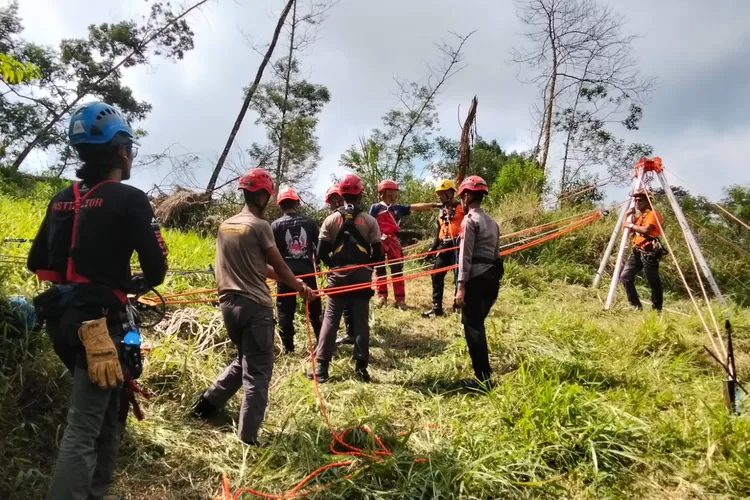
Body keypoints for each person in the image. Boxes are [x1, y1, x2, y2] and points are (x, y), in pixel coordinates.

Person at [27, 101, 169, 500]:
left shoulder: (60, 198)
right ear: (120, 148)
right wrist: (128, 282)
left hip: (63, 320)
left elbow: (38, 263)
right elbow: (156, 268)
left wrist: (77, 280)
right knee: (84, 428)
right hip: (100, 325)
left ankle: (95, 492)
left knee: (111, 412)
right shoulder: (128, 198)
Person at [192, 169, 314, 445]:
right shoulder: (259, 226)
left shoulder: (226, 226)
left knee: (244, 360)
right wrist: (302, 288)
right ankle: (248, 438)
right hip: (255, 307)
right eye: (267, 196)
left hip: (229, 306)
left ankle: (207, 404)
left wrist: (290, 281)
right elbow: (281, 268)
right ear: (260, 195)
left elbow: (262, 268)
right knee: (258, 373)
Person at [309, 173, 383, 382]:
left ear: (341, 194)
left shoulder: (330, 220)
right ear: (360, 194)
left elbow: (321, 252)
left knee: (331, 319)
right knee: (361, 320)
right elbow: (378, 254)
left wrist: (335, 268)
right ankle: (361, 368)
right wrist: (367, 269)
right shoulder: (369, 221)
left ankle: (322, 368)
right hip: (361, 275)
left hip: (338, 276)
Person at [453, 175, 503, 390]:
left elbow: (465, 255)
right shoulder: (493, 222)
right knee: (478, 325)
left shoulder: (469, 221)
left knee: (473, 328)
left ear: (466, 195)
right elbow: (497, 256)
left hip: (475, 278)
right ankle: (484, 374)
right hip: (491, 279)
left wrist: (461, 286)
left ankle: (483, 379)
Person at [370, 180, 438, 309]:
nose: (396, 194)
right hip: (379, 241)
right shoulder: (376, 207)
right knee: (380, 270)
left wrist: (434, 204)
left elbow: (415, 206)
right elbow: (370, 223)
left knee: (397, 270)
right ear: (387, 192)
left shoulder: (398, 208)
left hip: (393, 242)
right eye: (395, 191)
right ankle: (382, 297)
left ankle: (400, 300)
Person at [271, 187, 322, 353]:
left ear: (280, 205)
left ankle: (288, 347)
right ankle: (322, 341)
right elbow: (319, 244)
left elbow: (271, 251)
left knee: (285, 310)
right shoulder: (309, 222)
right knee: (314, 307)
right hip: (307, 270)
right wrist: (319, 262)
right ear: (297, 203)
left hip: (285, 273)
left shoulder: (275, 225)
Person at [423, 178, 465, 318]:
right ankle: (437, 308)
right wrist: (432, 249)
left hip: (459, 246)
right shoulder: (441, 213)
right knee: (436, 274)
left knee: (459, 276)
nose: (440, 197)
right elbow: (437, 234)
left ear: (450, 193)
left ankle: (458, 306)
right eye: (439, 194)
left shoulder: (462, 208)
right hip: (444, 246)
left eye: (442, 193)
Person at [620, 189, 665, 311]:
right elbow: (626, 227)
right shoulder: (640, 218)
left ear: (648, 201)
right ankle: (636, 305)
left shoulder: (654, 214)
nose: (637, 202)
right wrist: (626, 215)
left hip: (649, 251)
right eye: (636, 200)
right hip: (637, 251)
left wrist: (631, 225)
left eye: (640, 200)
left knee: (653, 281)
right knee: (625, 277)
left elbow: (646, 230)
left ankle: (657, 309)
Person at [325, 183, 355, 346]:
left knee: (344, 303)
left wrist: (332, 266)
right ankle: (353, 333)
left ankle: (351, 334)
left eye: (338, 199)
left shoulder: (353, 217)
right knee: (349, 303)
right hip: (346, 268)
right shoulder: (333, 220)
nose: (335, 203)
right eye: (332, 200)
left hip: (348, 268)